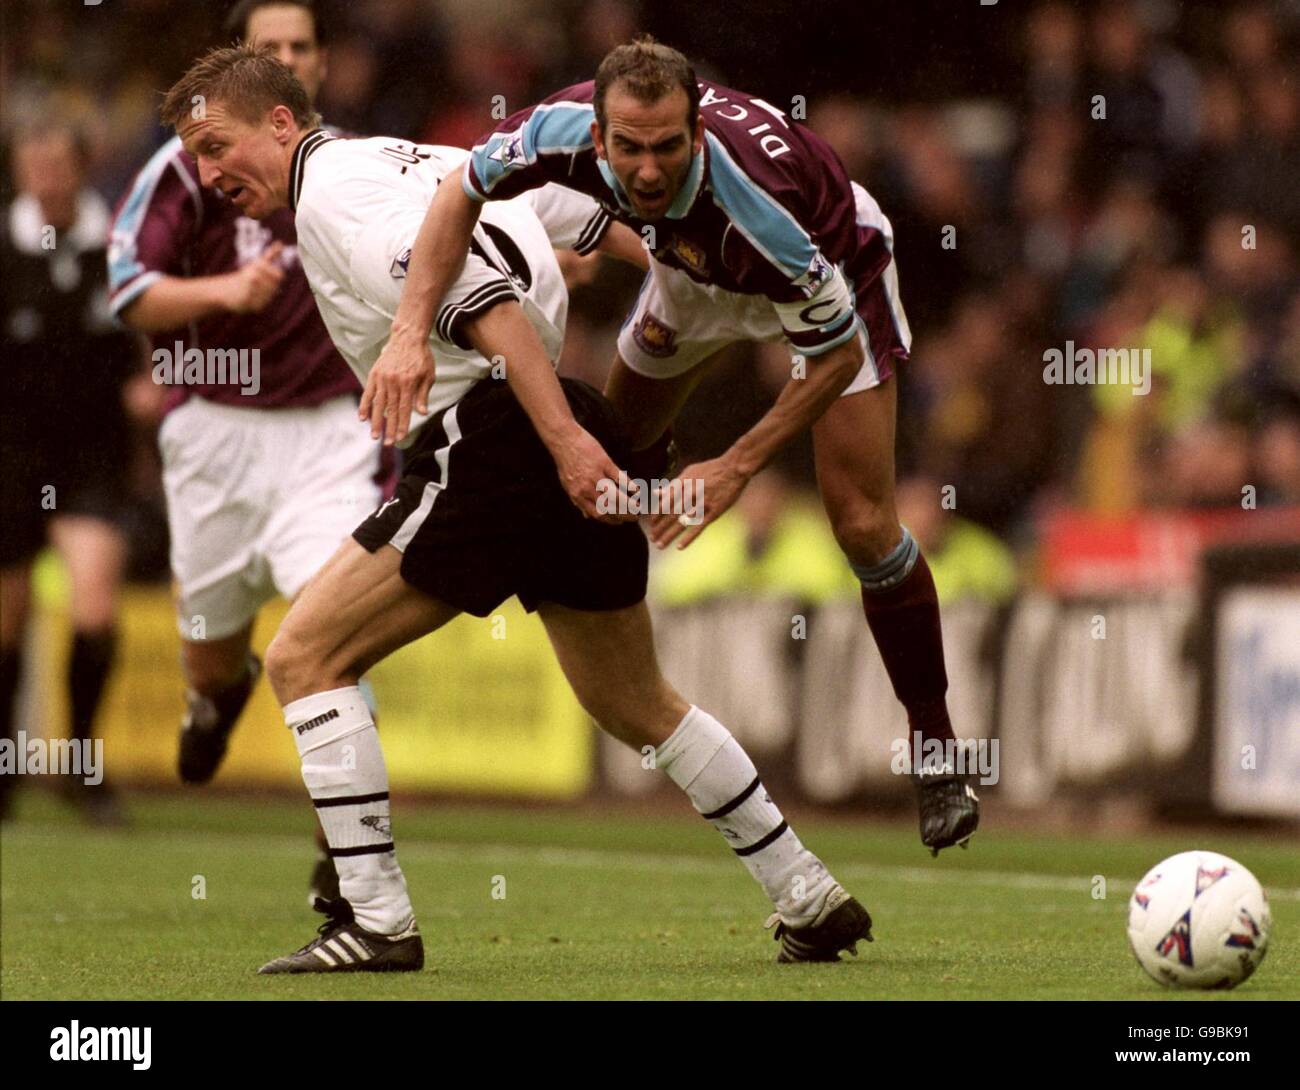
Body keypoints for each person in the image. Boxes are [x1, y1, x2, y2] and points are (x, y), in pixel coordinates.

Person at [161, 44, 874, 972]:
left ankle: (374, 922)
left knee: (304, 657)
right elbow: (575, 214)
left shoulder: (333, 192)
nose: (208, 173)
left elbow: (484, 300)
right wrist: (646, 317)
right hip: (558, 419)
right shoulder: (409, 158)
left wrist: (560, 439)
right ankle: (807, 893)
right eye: (194, 158)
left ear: (283, 122)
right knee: (634, 702)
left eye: (217, 145)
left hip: (500, 434)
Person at [368, 37, 979, 854]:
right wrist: (409, 333)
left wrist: (734, 464)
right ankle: (639, 693)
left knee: (864, 525)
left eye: (666, 148)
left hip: (832, 274)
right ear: (598, 137)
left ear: (696, 132)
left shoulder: (767, 211)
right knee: (605, 470)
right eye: (629, 149)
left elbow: (829, 356)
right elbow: (456, 192)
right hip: (689, 279)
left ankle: (937, 750)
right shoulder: (555, 126)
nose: (647, 171)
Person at [108, 0, 375, 903]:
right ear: (239, 66)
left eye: (302, 47)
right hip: (215, 431)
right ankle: (217, 694)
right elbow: (130, 291)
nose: (288, 58)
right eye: (270, 47)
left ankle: (345, 859)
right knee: (208, 650)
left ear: (320, 69)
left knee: (335, 638)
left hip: (331, 432)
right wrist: (228, 291)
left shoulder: (353, 166)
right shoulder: (184, 166)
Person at [1, 121, 141, 825]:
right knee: (8, 622)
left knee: (93, 610)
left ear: (82, 167)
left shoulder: (117, 245)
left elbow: (152, 335)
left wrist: (152, 386)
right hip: (10, 457)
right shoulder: (5, 247)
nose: (47, 176)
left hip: (93, 457)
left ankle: (80, 766)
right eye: (35, 162)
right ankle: (4, 771)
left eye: (59, 162)